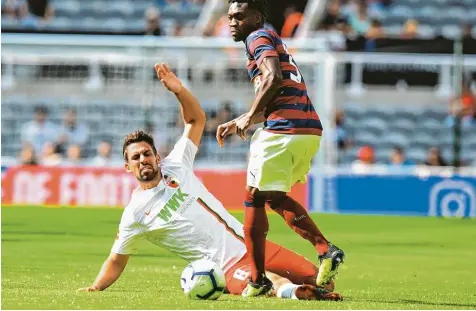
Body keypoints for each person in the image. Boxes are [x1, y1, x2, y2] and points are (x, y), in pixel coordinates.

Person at [78, 64, 343, 302]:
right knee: (274, 283)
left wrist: (179, 90)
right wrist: (96, 287)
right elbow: (116, 259)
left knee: (325, 280)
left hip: (252, 245)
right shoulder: (135, 213)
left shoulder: (177, 165)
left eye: (147, 153)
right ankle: (293, 293)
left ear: (157, 157)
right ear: (127, 167)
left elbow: (196, 120)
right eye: (135, 157)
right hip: (223, 267)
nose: (143, 159)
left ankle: (300, 288)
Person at [216, 0, 345, 297]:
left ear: (257, 17)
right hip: (306, 131)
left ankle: (318, 252)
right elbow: (279, 90)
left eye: (240, 16)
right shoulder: (273, 42)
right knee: (265, 197)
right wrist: (243, 119)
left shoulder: (257, 37)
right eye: (230, 17)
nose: (233, 22)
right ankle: (262, 278)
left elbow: (273, 77)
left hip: (283, 132)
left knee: (254, 198)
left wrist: (248, 116)